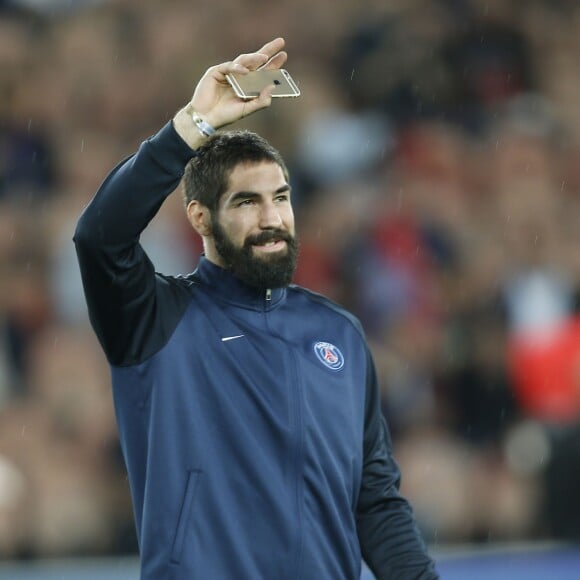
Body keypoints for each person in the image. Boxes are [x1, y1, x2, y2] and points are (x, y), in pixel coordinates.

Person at [74, 37, 439, 580]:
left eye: (281, 197)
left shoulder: (337, 334)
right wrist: (192, 124)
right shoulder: (156, 320)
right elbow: (101, 237)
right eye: (247, 201)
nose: (273, 217)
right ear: (200, 218)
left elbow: (376, 503)